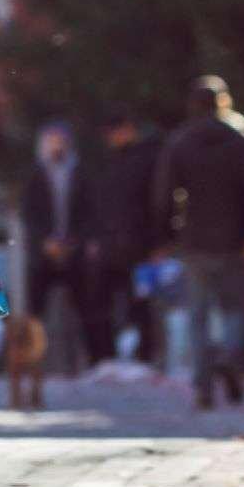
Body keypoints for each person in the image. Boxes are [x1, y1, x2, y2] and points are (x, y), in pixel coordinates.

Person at [153, 75, 244, 409]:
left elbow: (164, 195)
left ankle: (203, 384)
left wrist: (165, 235)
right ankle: (230, 358)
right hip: (234, 239)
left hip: (194, 239)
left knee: (198, 314)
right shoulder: (240, 142)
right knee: (235, 309)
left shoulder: (179, 143)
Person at [77, 117, 156, 368]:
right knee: (101, 304)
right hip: (109, 244)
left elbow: (152, 202)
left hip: (137, 245)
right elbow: (94, 205)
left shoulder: (145, 160)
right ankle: (103, 357)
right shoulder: (104, 163)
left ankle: (144, 356)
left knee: (140, 305)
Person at [15, 121, 91, 373]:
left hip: (73, 252)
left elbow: (88, 213)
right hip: (42, 253)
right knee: (35, 313)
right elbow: (28, 214)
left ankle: (88, 363)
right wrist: (45, 242)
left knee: (85, 309)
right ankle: (31, 364)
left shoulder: (80, 173)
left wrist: (74, 242)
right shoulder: (34, 174)